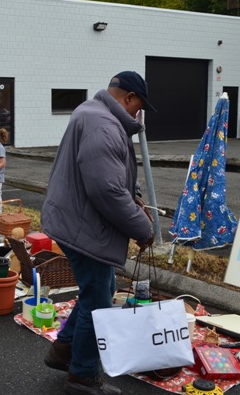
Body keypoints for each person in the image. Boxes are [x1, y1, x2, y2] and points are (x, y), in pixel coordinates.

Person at [40, 71, 156, 395]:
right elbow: (107, 190)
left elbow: (115, 175)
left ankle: (63, 349)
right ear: (128, 98)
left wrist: (135, 197)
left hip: (75, 218)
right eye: (139, 106)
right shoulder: (103, 124)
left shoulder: (95, 113)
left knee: (100, 287)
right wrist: (142, 228)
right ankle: (82, 375)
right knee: (99, 301)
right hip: (82, 224)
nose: (139, 114)